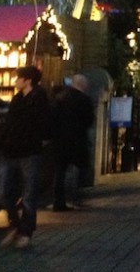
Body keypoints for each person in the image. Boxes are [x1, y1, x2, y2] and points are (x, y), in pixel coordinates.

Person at [0, 65, 49, 249]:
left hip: (28, 151)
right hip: (10, 150)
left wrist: (38, 140)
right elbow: (10, 123)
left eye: (18, 77)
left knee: (29, 194)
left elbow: (42, 125)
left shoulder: (39, 99)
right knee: (3, 191)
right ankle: (16, 225)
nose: (15, 80)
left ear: (27, 80)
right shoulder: (17, 98)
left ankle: (25, 232)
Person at [51, 73, 94, 211]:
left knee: (60, 172)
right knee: (79, 169)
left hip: (60, 140)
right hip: (77, 140)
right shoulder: (84, 99)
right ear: (82, 85)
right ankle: (76, 198)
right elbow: (89, 120)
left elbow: (53, 118)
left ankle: (59, 201)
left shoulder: (60, 98)